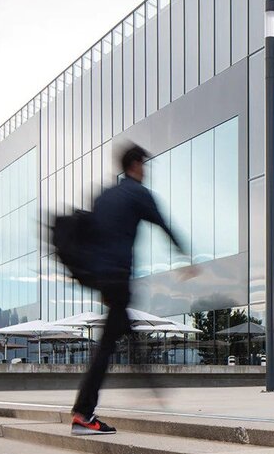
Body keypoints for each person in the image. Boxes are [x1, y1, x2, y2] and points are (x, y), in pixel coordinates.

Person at [71, 143, 195, 436]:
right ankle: (84, 413)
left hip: (105, 278)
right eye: (144, 165)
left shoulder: (105, 196)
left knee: (120, 334)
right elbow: (164, 225)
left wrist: (99, 281)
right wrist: (184, 258)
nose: (146, 170)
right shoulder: (137, 193)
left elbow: (93, 237)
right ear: (136, 165)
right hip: (119, 277)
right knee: (108, 346)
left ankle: (147, 384)